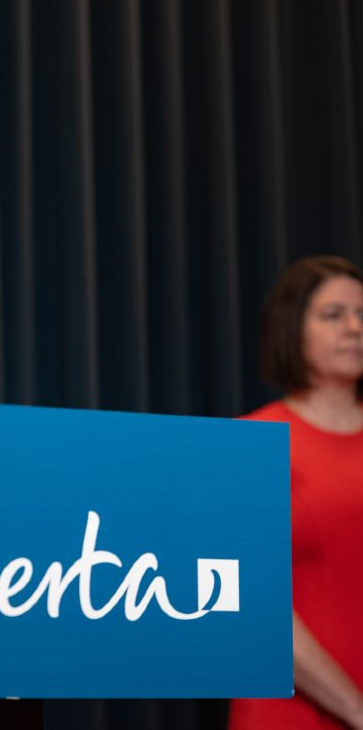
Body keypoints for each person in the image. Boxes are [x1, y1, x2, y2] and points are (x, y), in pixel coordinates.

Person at [229, 255, 363, 730]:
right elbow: (248, 599)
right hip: (289, 713)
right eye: (334, 314)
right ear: (292, 330)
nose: (354, 327)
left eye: (362, 314)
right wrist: (354, 708)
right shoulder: (251, 441)